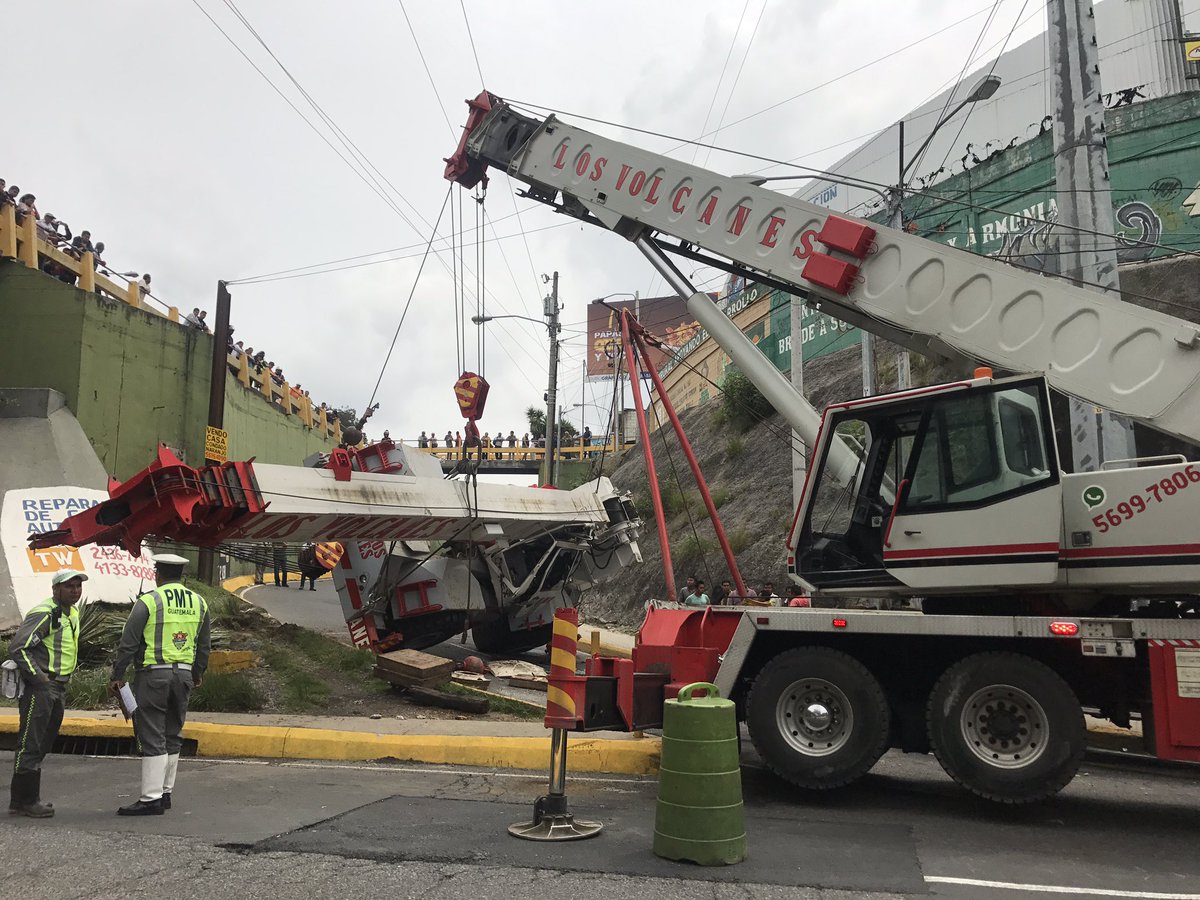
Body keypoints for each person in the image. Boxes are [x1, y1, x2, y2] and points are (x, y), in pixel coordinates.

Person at [110, 554, 211, 816]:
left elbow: (129, 642)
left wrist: (118, 674)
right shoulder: (199, 602)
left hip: (154, 675)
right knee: (173, 733)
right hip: (185, 675)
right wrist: (198, 672)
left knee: (152, 732)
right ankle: (165, 793)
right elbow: (204, 645)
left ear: (158, 574)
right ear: (182, 575)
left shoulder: (149, 601)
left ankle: (150, 799)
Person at [7, 569, 86, 817]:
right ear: (56, 589)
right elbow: (18, 647)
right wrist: (39, 678)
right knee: (31, 742)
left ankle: (26, 799)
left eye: (78, 586)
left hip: (57, 686)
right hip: (42, 687)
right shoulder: (46, 613)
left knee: (43, 742)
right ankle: (25, 800)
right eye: (69, 586)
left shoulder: (71, 613)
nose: (75, 590)